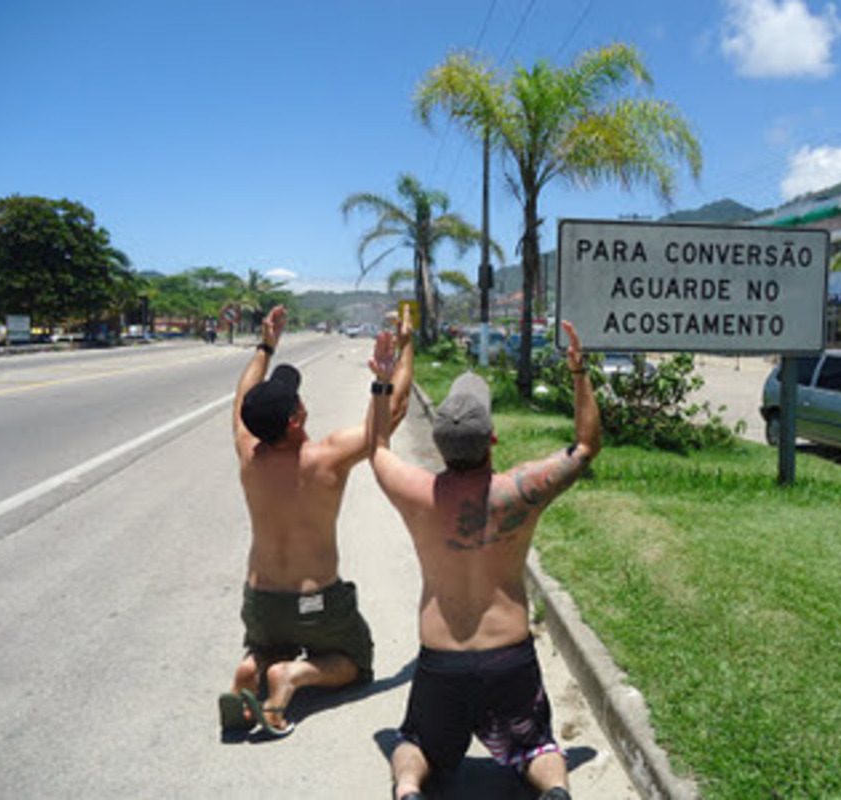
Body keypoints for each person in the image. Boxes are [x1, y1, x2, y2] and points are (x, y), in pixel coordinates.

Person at [367, 321, 600, 800]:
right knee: (537, 747)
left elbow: (376, 448)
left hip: (440, 658)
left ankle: (409, 789)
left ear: (438, 445)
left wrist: (382, 383)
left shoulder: (416, 493)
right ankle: (554, 791)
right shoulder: (519, 492)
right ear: (491, 439)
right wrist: (578, 371)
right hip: (508, 655)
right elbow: (586, 445)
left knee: (412, 742)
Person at [218, 304, 413, 737]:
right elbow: (392, 414)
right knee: (355, 662)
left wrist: (266, 346)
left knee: (270, 641)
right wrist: (403, 352)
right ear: (296, 418)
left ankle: (255, 665)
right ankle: (291, 678)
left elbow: (240, 402)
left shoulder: (249, 451)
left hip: (261, 604)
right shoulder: (327, 458)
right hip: (316, 604)